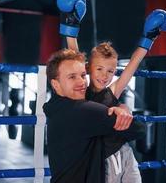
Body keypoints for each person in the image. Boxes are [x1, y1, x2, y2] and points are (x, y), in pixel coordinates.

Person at [56, 0, 166, 183]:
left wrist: (148, 37)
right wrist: (71, 26)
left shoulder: (112, 91)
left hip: (126, 152)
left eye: (110, 71)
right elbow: (74, 57)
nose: (104, 75)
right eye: (99, 69)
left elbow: (131, 67)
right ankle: (71, 21)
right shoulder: (82, 91)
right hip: (104, 159)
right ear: (88, 69)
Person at [43, 48, 146, 183]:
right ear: (55, 84)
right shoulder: (82, 110)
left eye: (82, 75)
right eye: (72, 77)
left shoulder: (54, 106)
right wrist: (124, 112)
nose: (81, 82)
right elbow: (138, 129)